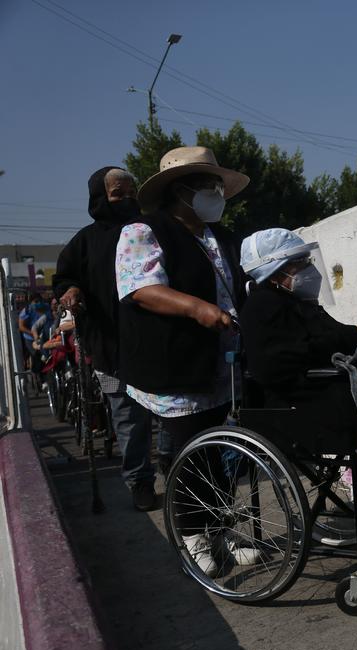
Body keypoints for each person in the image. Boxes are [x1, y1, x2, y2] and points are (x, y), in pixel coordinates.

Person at [115, 146, 256, 574]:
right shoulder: (144, 232)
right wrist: (198, 308)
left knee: (222, 452)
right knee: (191, 452)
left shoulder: (222, 237)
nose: (215, 192)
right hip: (177, 363)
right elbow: (141, 288)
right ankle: (194, 534)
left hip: (222, 363)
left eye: (217, 184)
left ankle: (222, 528)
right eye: (207, 185)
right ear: (182, 191)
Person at [237, 229, 357, 511]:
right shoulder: (264, 307)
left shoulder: (295, 302)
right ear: (276, 273)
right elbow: (280, 364)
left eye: (307, 261)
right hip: (301, 405)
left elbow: (331, 336)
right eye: (299, 264)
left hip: (324, 394)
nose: (309, 269)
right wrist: (351, 341)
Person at [53, 166, 158, 511]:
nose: (128, 199)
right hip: (109, 345)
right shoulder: (84, 241)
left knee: (170, 411)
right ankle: (139, 482)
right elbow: (65, 277)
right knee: (129, 419)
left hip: (154, 341)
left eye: (132, 193)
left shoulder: (151, 231)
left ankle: (174, 464)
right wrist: (70, 290)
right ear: (100, 197)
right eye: (118, 194)